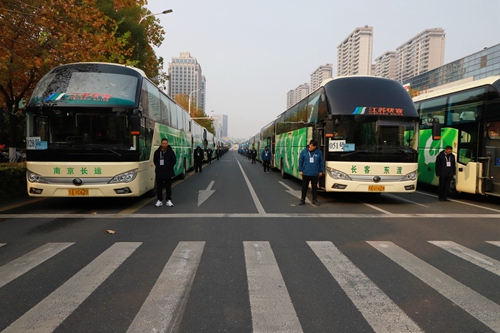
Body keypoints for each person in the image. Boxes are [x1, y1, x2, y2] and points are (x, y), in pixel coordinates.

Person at [298, 139, 324, 206]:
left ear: (315, 147)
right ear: (309, 144)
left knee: (314, 188)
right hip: (306, 172)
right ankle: (302, 199)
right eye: (310, 145)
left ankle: (314, 200)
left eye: (313, 146)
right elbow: (301, 161)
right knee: (304, 187)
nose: (311, 147)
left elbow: (321, 162)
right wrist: (301, 170)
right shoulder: (304, 151)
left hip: (315, 173)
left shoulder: (319, 152)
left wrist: (321, 171)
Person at [153, 138, 176, 207]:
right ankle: (159, 200)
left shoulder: (171, 152)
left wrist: (168, 167)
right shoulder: (157, 152)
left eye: (165, 144)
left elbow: (174, 161)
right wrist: (159, 167)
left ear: (167, 144)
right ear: (161, 144)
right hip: (159, 172)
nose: (164, 145)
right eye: (163, 143)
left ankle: (168, 200)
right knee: (159, 187)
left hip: (168, 172)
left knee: (168, 187)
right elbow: (155, 161)